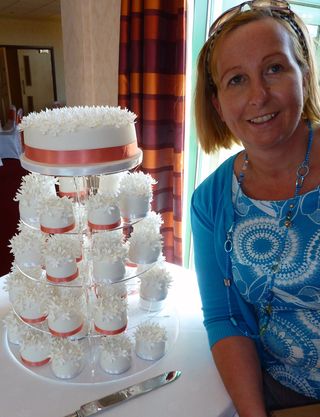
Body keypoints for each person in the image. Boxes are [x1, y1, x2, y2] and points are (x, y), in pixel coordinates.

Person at [190, 1, 320, 416]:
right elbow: (225, 319)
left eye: (275, 69)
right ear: (218, 105)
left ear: (305, 73)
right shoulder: (211, 200)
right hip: (276, 392)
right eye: (236, 80)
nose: (258, 95)